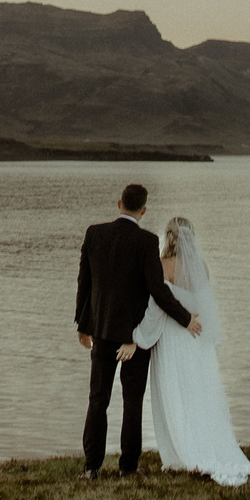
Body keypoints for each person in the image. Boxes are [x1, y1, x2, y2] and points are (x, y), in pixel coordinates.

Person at [132, 216, 250, 486]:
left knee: (176, 392)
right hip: (196, 340)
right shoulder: (201, 267)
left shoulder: (163, 266)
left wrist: (137, 336)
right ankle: (207, 443)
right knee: (198, 393)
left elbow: (158, 306)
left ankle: (180, 452)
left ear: (167, 237)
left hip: (173, 339)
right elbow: (203, 305)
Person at [74, 182, 197, 479]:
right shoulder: (146, 241)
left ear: (119, 204)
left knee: (97, 399)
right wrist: (186, 318)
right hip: (135, 337)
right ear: (143, 210)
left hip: (101, 332)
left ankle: (91, 467)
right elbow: (157, 290)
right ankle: (127, 467)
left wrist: (83, 324)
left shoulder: (94, 233)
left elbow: (84, 283)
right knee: (132, 401)